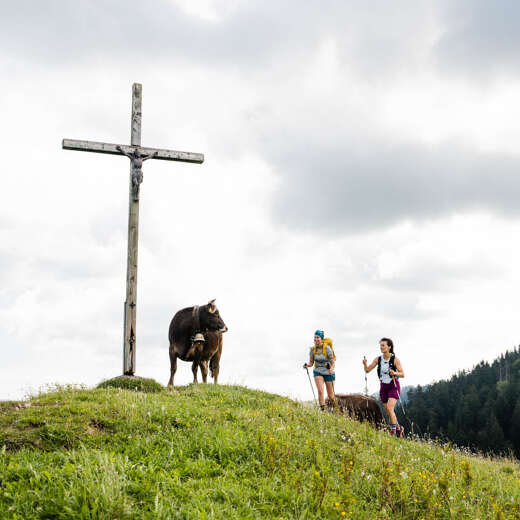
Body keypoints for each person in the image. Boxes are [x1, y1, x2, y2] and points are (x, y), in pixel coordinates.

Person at [363, 338, 405, 437]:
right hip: (383, 387)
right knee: (387, 411)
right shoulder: (378, 359)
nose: (381, 347)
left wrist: (394, 373)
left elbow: (402, 374)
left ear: (389, 347)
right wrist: (365, 364)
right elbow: (367, 370)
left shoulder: (395, 359)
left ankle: (393, 432)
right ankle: (398, 428)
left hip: (393, 385)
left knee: (390, 408)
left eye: (383, 345)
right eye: (380, 345)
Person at [303, 330, 335, 410]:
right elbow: (311, 362)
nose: (316, 339)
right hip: (318, 371)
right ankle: (323, 410)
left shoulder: (327, 348)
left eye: (318, 337)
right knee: (320, 391)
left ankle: (334, 409)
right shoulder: (312, 350)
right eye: (315, 337)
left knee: (331, 396)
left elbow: (333, 362)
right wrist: (307, 365)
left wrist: (331, 368)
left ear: (321, 339)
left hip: (328, 372)